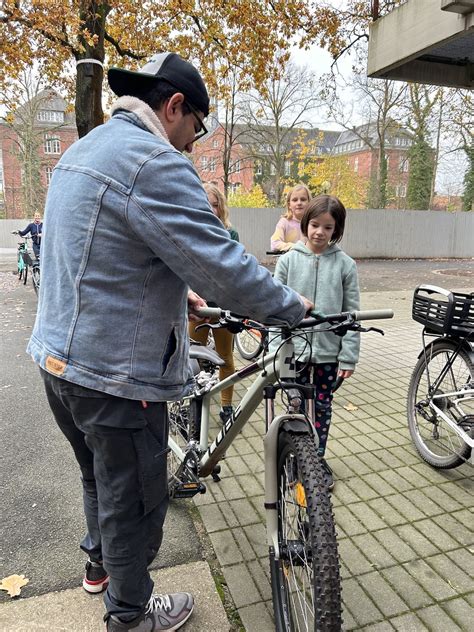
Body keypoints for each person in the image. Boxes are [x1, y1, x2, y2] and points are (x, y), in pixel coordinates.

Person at [27, 52, 312, 632]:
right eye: (197, 127)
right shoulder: (153, 160)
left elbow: (95, 254)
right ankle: (131, 617)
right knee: (134, 505)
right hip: (115, 378)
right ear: (174, 105)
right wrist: (292, 307)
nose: (192, 143)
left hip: (58, 363)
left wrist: (172, 295)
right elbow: (222, 266)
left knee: (99, 478)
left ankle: (99, 570)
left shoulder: (84, 151)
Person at [272, 194, 360, 490]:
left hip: (328, 353)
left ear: (337, 230)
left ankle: (317, 457)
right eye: (314, 225)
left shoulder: (345, 265)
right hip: (293, 349)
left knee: (322, 405)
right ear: (305, 224)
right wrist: (275, 350)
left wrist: (349, 356)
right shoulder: (288, 261)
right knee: (295, 404)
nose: (320, 232)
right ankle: (295, 456)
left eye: (328, 227)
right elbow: (274, 309)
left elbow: (352, 314)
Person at [189, 183, 239, 424]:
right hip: (196, 308)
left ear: (221, 208)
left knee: (225, 357)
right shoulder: (189, 231)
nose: (210, 209)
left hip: (222, 307)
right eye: (205, 204)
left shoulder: (230, 234)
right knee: (193, 356)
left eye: (215, 205)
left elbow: (234, 269)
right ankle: (193, 401)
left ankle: (227, 406)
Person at [270, 184, 311, 252]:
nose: (299, 203)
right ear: (289, 205)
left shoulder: (313, 224)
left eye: (303, 199)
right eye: (295, 200)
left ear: (309, 203)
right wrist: (295, 247)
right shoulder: (284, 222)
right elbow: (274, 244)